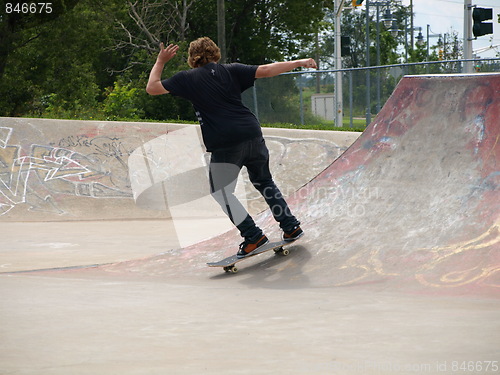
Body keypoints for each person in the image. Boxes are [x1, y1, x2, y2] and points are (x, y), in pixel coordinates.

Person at [146, 36, 316, 258]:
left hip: (226, 142)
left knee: (221, 191)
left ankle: (253, 236)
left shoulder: (186, 78)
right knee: (264, 181)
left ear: (192, 58)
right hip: (252, 132)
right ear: (216, 53)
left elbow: (152, 88)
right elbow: (266, 70)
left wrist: (161, 61)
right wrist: (298, 62)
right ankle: (290, 226)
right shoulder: (233, 70)